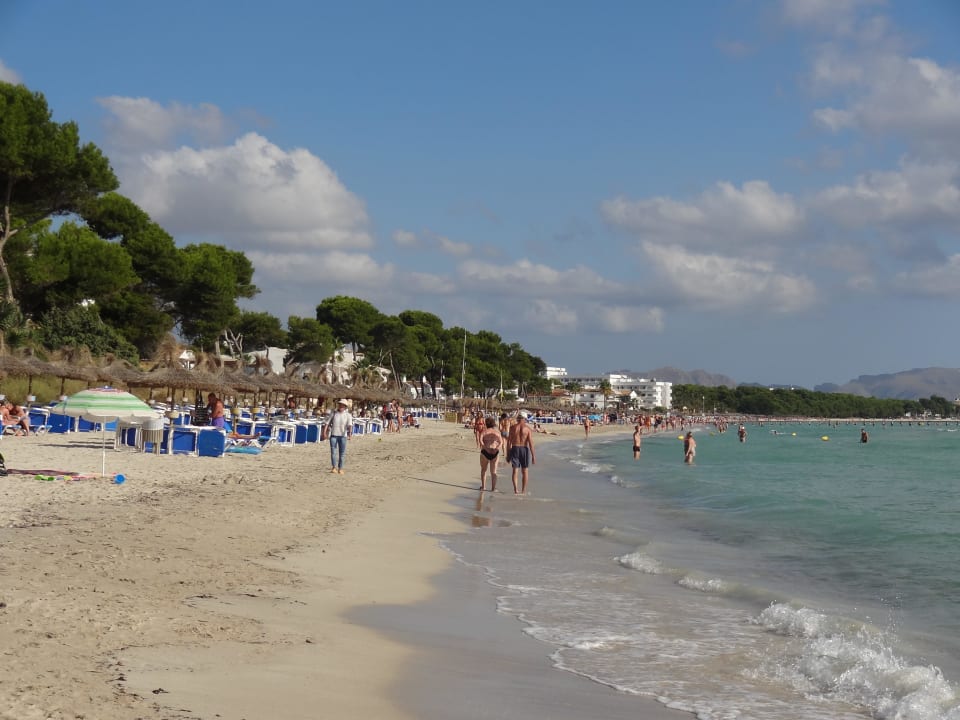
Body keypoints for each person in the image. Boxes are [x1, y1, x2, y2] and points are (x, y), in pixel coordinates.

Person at [508, 411, 535, 494]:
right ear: (524, 419)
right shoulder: (527, 429)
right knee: (525, 471)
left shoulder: (512, 427)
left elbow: (509, 442)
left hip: (515, 448)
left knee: (515, 470)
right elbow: (530, 443)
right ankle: (523, 491)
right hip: (524, 449)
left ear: (518, 418)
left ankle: (516, 489)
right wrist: (533, 456)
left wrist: (508, 454)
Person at [324, 399, 353, 474]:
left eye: (343, 405)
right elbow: (327, 423)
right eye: (340, 404)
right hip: (333, 435)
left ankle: (340, 468)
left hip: (343, 436)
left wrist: (350, 435)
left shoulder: (348, 415)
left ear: (345, 407)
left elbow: (350, 425)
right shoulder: (334, 413)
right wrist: (324, 433)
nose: (341, 406)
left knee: (342, 453)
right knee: (333, 452)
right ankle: (334, 467)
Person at [479, 417, 503, 492]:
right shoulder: (497, 432)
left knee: (483, 470)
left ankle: (483, 487)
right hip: (494, 452)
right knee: (494, 472)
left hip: (485, 451)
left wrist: (485, 448)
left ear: (486, 424)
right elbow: (501, 442)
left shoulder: (484, 431)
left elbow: (481, 441)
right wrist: (497, 448)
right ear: (493, 423)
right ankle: (493, 488)